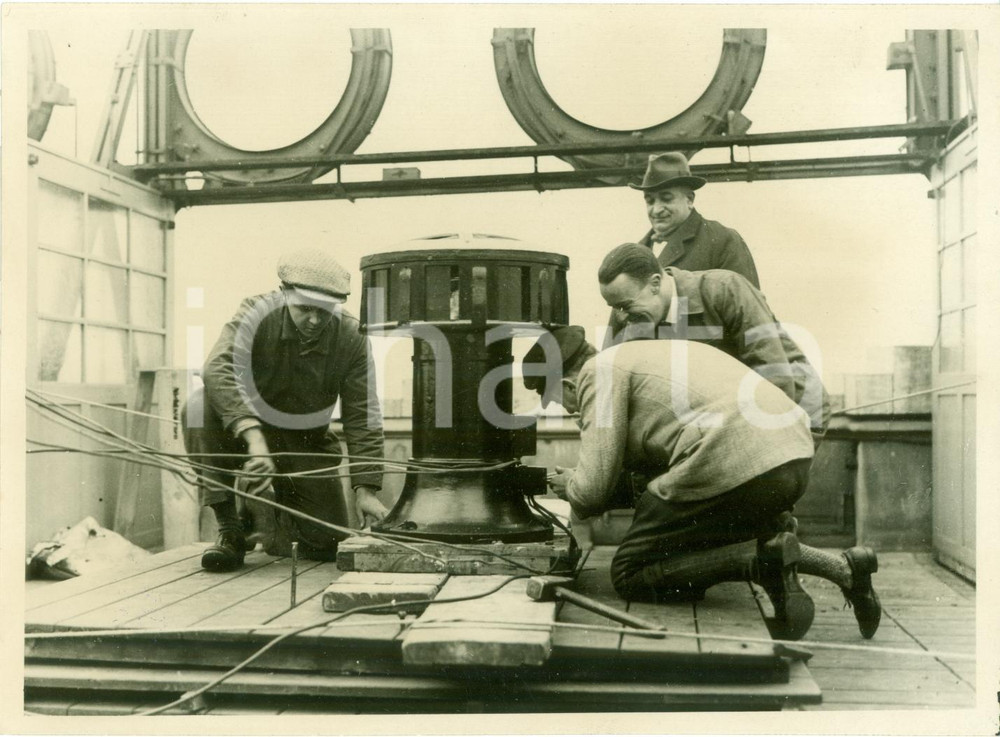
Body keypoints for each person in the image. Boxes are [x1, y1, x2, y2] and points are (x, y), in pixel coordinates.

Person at [523, 326, 881, 641]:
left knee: (630, 573)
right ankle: (846, 569)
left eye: (564, 402)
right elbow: (648, 474)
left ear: (568, 383)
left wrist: (573, 485)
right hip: (791, 460)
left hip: (735, 458)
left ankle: (761, 562)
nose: (572, 411)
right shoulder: (643, 356)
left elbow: (592, 491)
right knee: (700, 525)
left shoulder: (597, 374)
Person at [183, 247, 388, 572]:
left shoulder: (351, 336)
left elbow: (362, 413)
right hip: (246, 436)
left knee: (327, 545)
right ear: (283, 295)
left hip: (303, 444)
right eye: (305, 309)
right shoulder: (256, 313)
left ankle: (265, 518)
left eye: (325, 311)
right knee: (197, 407)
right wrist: (254, 440)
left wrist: (366, 490)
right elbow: (216, 368)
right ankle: (231, 529)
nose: (315, 320)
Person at [599, 242, 829, 438]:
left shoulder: (726, 290)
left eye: (625, 306)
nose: (620, 317)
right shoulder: (632, 309)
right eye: (614, 307)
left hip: (794, 406)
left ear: (655, 283)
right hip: (729, 410)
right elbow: (609, 387)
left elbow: (774, 373)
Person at [631, 152, 759, 288]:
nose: (656, 209)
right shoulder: (636, 252)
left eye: (666, 199)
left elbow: (746, 304)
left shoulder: (722, 240)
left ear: (689, 200)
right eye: (650, 201)